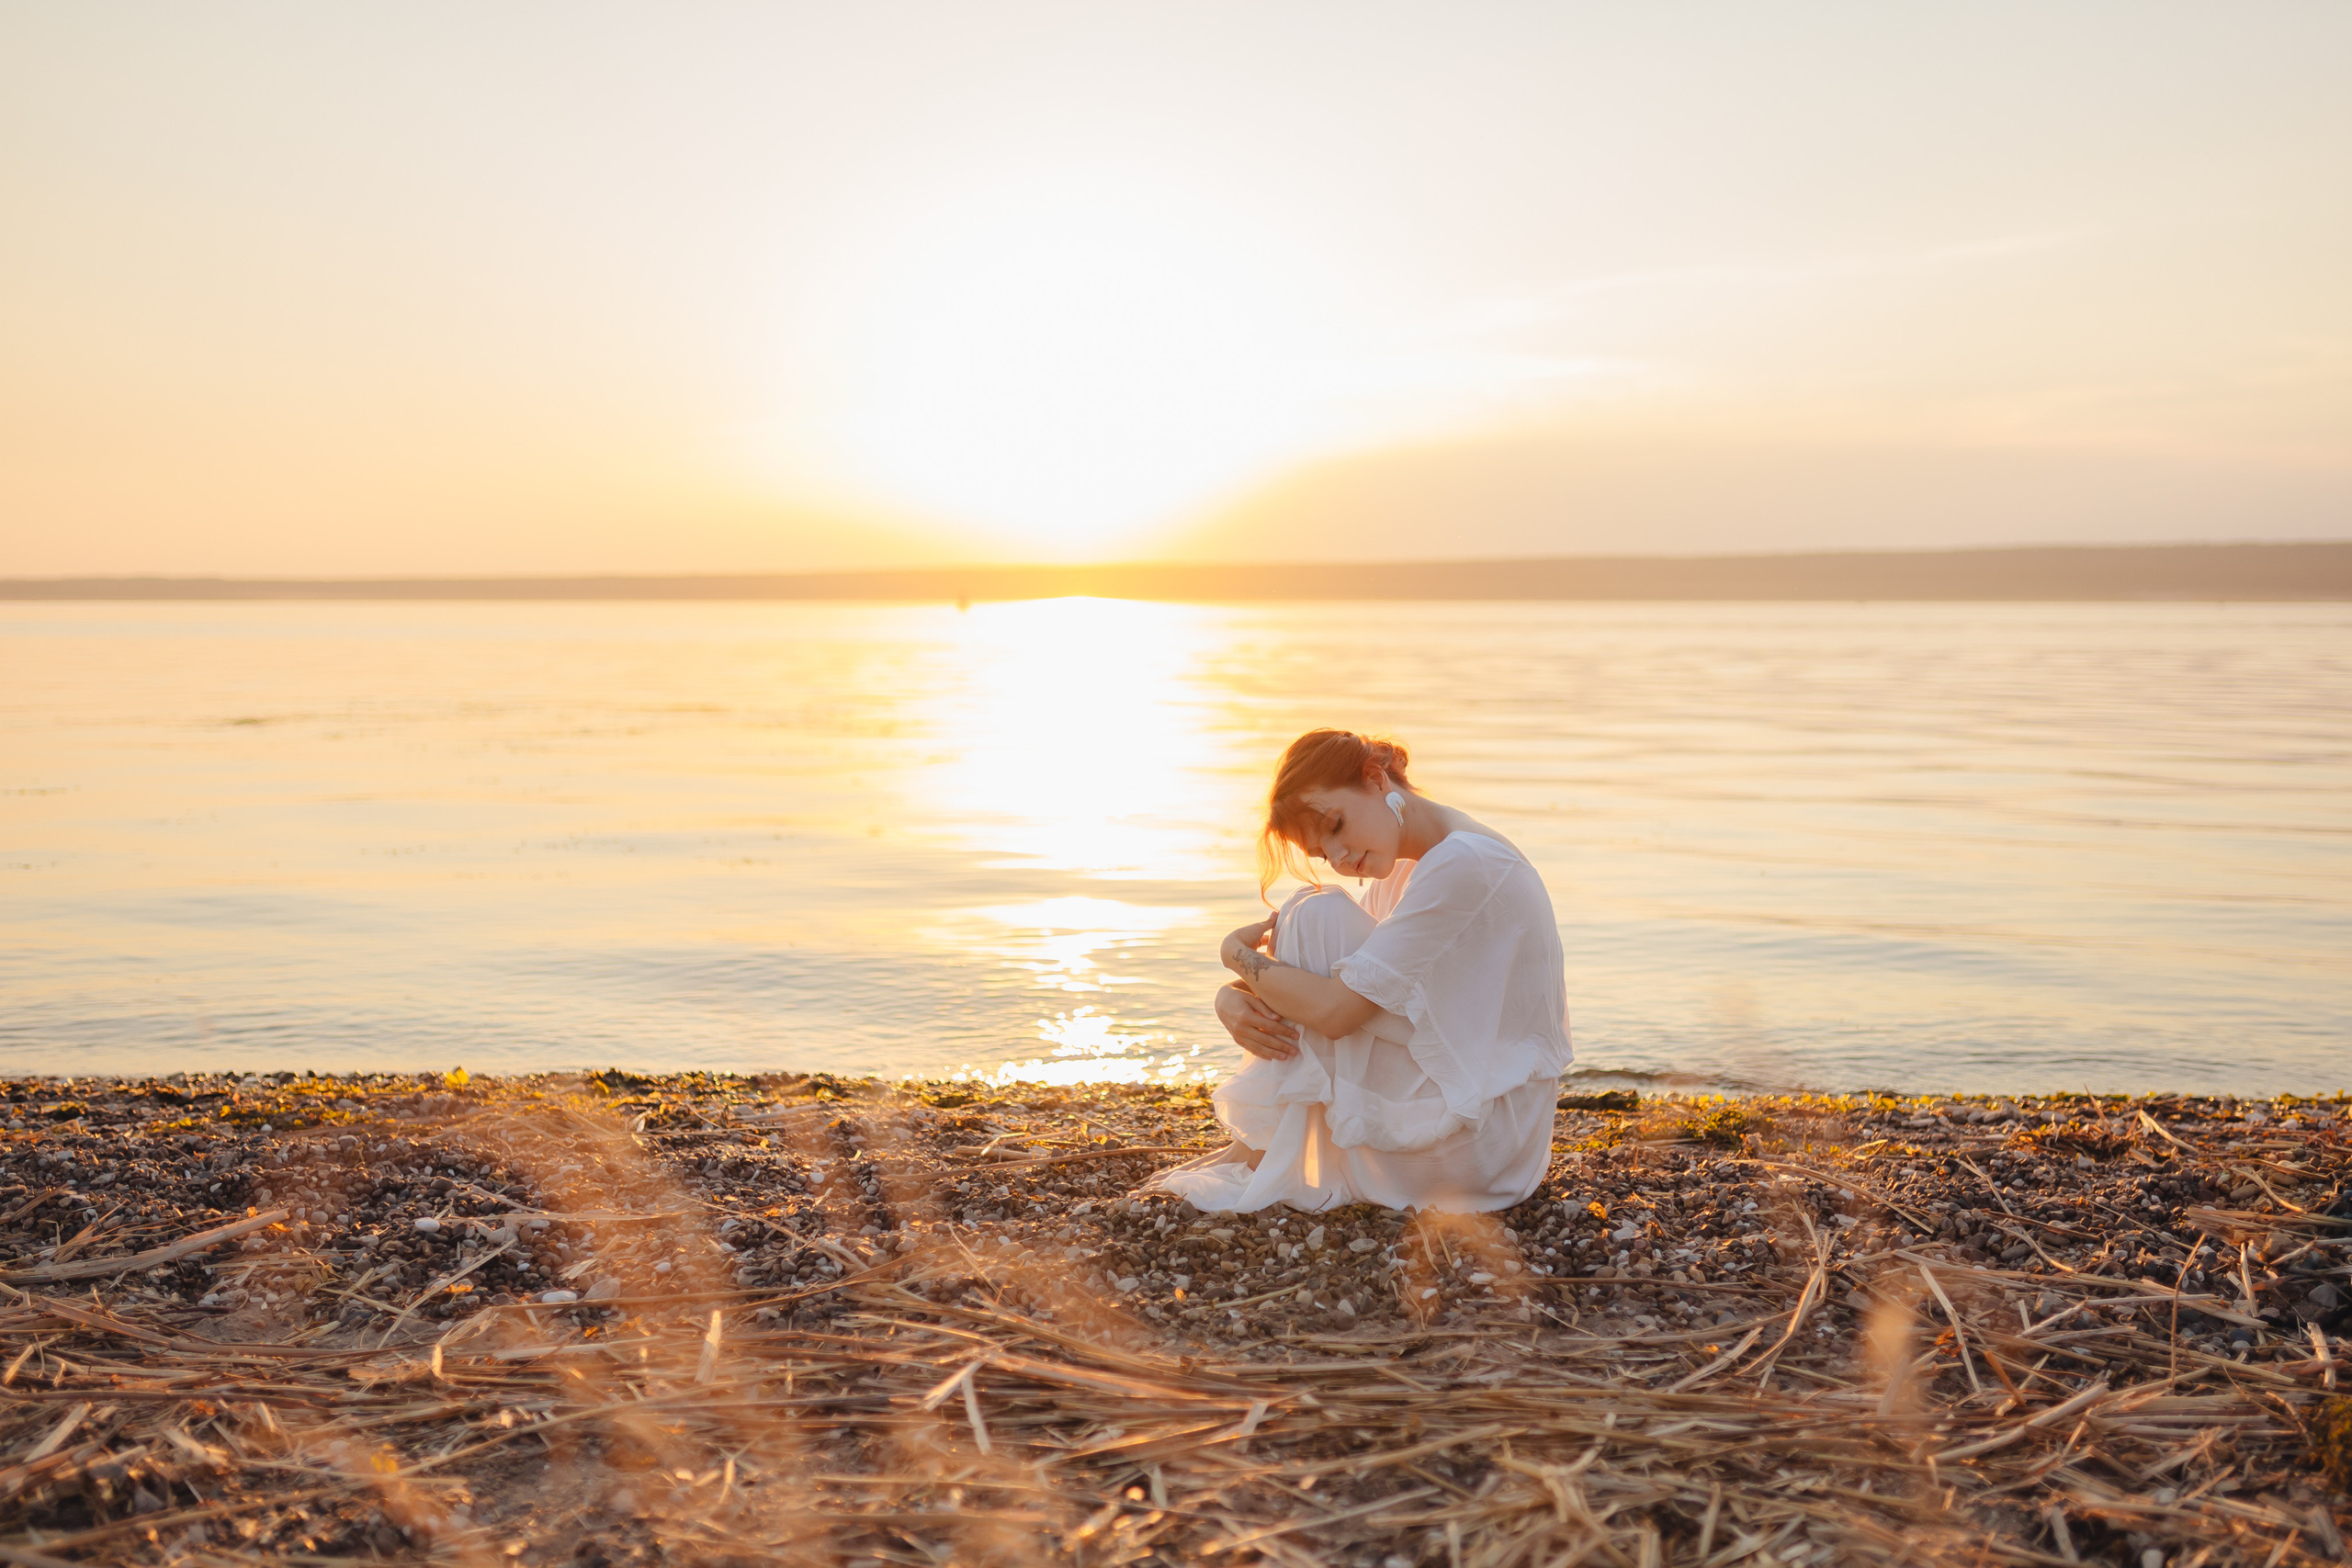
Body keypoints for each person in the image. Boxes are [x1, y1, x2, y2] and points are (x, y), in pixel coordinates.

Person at [1148, 729, 1571, 1213]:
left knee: (1315, 912)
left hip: (1477, 1151)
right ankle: (1257, 1152)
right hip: (1479, 1138)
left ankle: (1257, 1154)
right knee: (1313, 913)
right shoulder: (1413, 867)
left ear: (1374, 779)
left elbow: (1336, 1011)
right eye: (1324, 854)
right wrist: (1230, 994)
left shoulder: (1465, 863)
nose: (1341, 858)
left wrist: (1233, 954)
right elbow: (1350, 982)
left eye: (1336, 825)